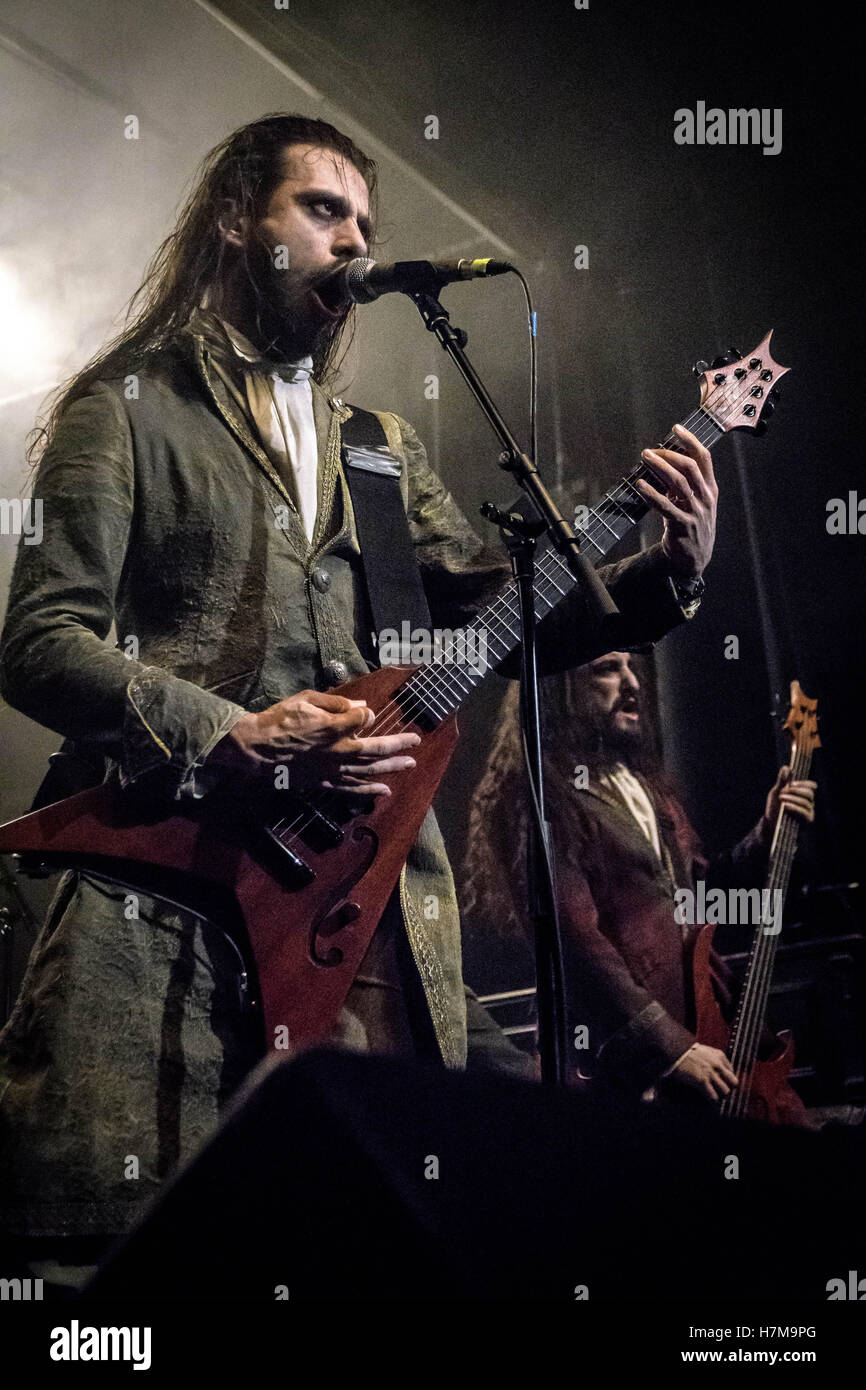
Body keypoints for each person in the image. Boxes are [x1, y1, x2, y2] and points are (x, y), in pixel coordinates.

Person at [0, 114, 717, 1258]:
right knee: (130, 1242)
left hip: (359, 898)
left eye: (366, 224)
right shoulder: (130, 404)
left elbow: (494, 619)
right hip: (175, 891)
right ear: (239, 217)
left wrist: (662, 576)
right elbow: (39, 638)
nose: (352, 242)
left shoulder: (376, 445)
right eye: (321, 210)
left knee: (361, 1233)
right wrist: (236, 734)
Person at [462, 650, 816, 1119]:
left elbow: (698, 897)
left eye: (631, 667)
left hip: (708, 1027)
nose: (632, 683)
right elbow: (577, 945)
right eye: (607, 668)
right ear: (557, 691)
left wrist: (767, 833)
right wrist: (670, 1048)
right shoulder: (541, 797)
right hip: (624, 1065)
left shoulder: (644, 785)